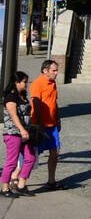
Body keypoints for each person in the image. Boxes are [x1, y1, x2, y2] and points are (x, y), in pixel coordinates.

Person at [30, 58, 62, 189]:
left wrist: (58, 119)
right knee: (30, 155)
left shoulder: (53, 83)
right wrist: (40, 124)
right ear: (45, 70)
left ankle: (51, 180)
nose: (56, 73)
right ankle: (16, 179)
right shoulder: (37, 83)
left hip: (52, 125)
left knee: (55, 152)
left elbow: (54, 103)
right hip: (39, 125)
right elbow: (36, 105)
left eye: (57, 70)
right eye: (54, 70)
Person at [2, 72, 37, 196]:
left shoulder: (22, 96)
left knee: (30, 157)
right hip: (13, 133)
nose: (26, 84)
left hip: (25, 133)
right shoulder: (10, 97)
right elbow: (13, 115)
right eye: (24, 81)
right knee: (11, 161)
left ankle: (21, 185)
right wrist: (22, 130)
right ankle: (4, 188)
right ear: (16, 82)